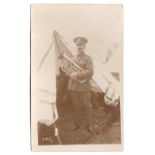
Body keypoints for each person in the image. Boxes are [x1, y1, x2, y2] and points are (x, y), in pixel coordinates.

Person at [67, 37, 94, 133]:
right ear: (75, 47)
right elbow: (68, 69)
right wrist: (70, 72)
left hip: (84, 87)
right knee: (76, 106)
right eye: (77, 46)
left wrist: (77, 74)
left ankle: (90, 125)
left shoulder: (88, 58)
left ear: (84, 47)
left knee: (87, 106)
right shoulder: (72, 58)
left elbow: (90, 72)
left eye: (81, 46)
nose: (79, 47)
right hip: (73, 87)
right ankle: (77, 124)